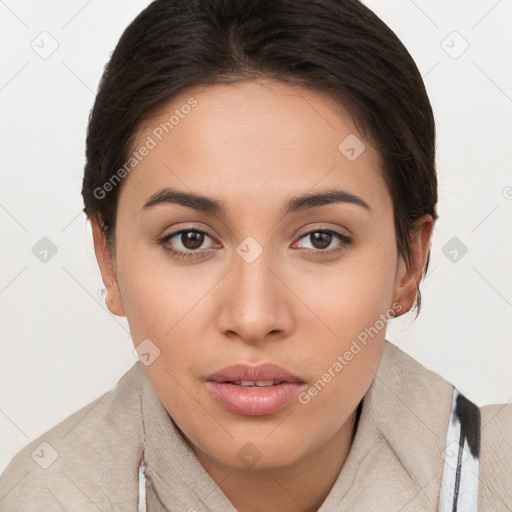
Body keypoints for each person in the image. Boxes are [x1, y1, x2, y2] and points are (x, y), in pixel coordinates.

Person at [0, 0, 510, 510]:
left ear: (409, 263)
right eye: (191, 239)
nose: (253, 317)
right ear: (107, 259)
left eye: (321, 238)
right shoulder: (43, 496)